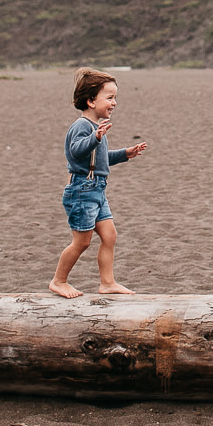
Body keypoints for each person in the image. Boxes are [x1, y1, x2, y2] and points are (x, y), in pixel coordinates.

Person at [49, 68, 149, 298]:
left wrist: (126, 153)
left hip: (96, 190)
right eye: (110, 98)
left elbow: (101, 160)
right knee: (82, 241)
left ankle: (107, 282)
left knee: (110, 235)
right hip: (81, 191)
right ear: (91, 100)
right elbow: (75, 152)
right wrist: (95, 138)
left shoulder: (96, 128)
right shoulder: (83, 126)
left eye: (115, 98)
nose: (114, 103)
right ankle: (59, 280)